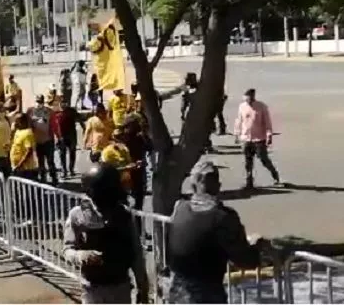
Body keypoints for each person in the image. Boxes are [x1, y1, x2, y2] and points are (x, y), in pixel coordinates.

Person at [167, 161, 269, 303]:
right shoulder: (223, 217)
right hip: (206, 295)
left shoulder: (179, 208)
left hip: (176, 294)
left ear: (192, 187)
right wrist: (257, 245)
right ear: (218, 187)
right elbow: (245, 260)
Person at [63, 163, 149, 304]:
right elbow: (67, 249)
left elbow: (136, 253)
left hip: (120, 287)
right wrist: (82, 256)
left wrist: (142, 287)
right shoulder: (77, 215)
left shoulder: (125, 215)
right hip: (92, 289)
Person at [234, 88, 281, 189]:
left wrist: (269, 135)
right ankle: (249, 181)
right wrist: (237, 133)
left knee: (264, 159)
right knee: (248, 161)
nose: (248, 102)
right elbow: (239, 120)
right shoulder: (242, 107)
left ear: (253, 97)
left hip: (259, 139)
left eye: (250, 100)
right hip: (246, 138)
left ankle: (275, 175)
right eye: (246, 100)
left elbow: (267, 122)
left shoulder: (261, 107)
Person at [27, 95, 57, 185]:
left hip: (48, 140)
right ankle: (43, 179)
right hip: (37, 141)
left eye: (40, 102)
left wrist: (58, 137)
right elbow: (29, 125)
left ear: (43, 102)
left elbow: (54, 126)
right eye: (37, 101)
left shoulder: (49, 111)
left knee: (50, 161)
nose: (38, 103)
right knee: (40, 162)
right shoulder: (30, 111)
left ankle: (54, 178)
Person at [53, 100, 85, 178]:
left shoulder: (72, 111)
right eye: (62, 102)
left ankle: (71, 169)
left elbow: (79, 119)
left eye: (65, 102)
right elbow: (53, 125)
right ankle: (64, 171)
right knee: (62, 154)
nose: (63, 104)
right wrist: (56, 137)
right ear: (59, 104)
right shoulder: (56, 112)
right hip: (61, 137)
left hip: (71, 136)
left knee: (72, 152)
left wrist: (84, 128)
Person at [10, 114, 38, 181]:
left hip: (26, 169)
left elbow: (29, 151)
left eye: (16, 121)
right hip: (17, 167)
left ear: (21, 122)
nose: (14, 123)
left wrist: (20, 165)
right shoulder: (18, 131)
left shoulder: (28, 133)